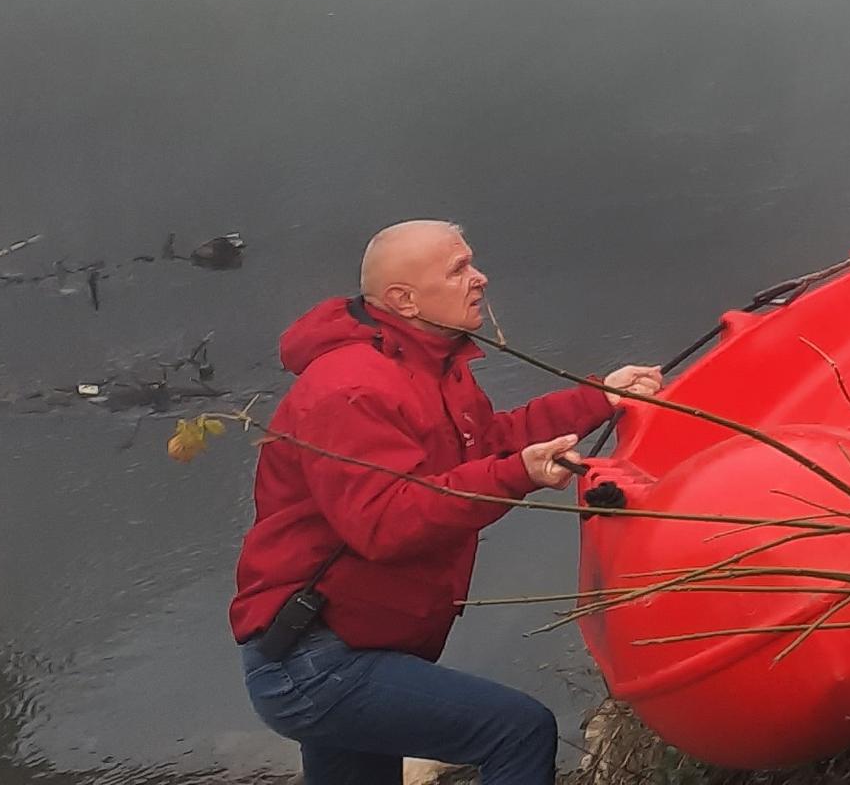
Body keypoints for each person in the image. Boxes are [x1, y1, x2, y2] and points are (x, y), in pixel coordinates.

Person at [233, 221, 670, 785]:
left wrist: (598, 399)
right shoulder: (350, 388)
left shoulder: (426, 365)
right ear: (404, 300)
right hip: (313, 660)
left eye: (472, 263)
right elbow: (387, 523)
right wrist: (518, 475)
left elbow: (483, 443)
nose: (481, 278)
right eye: (459, 269)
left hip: (354, 644)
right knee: (518, 731)